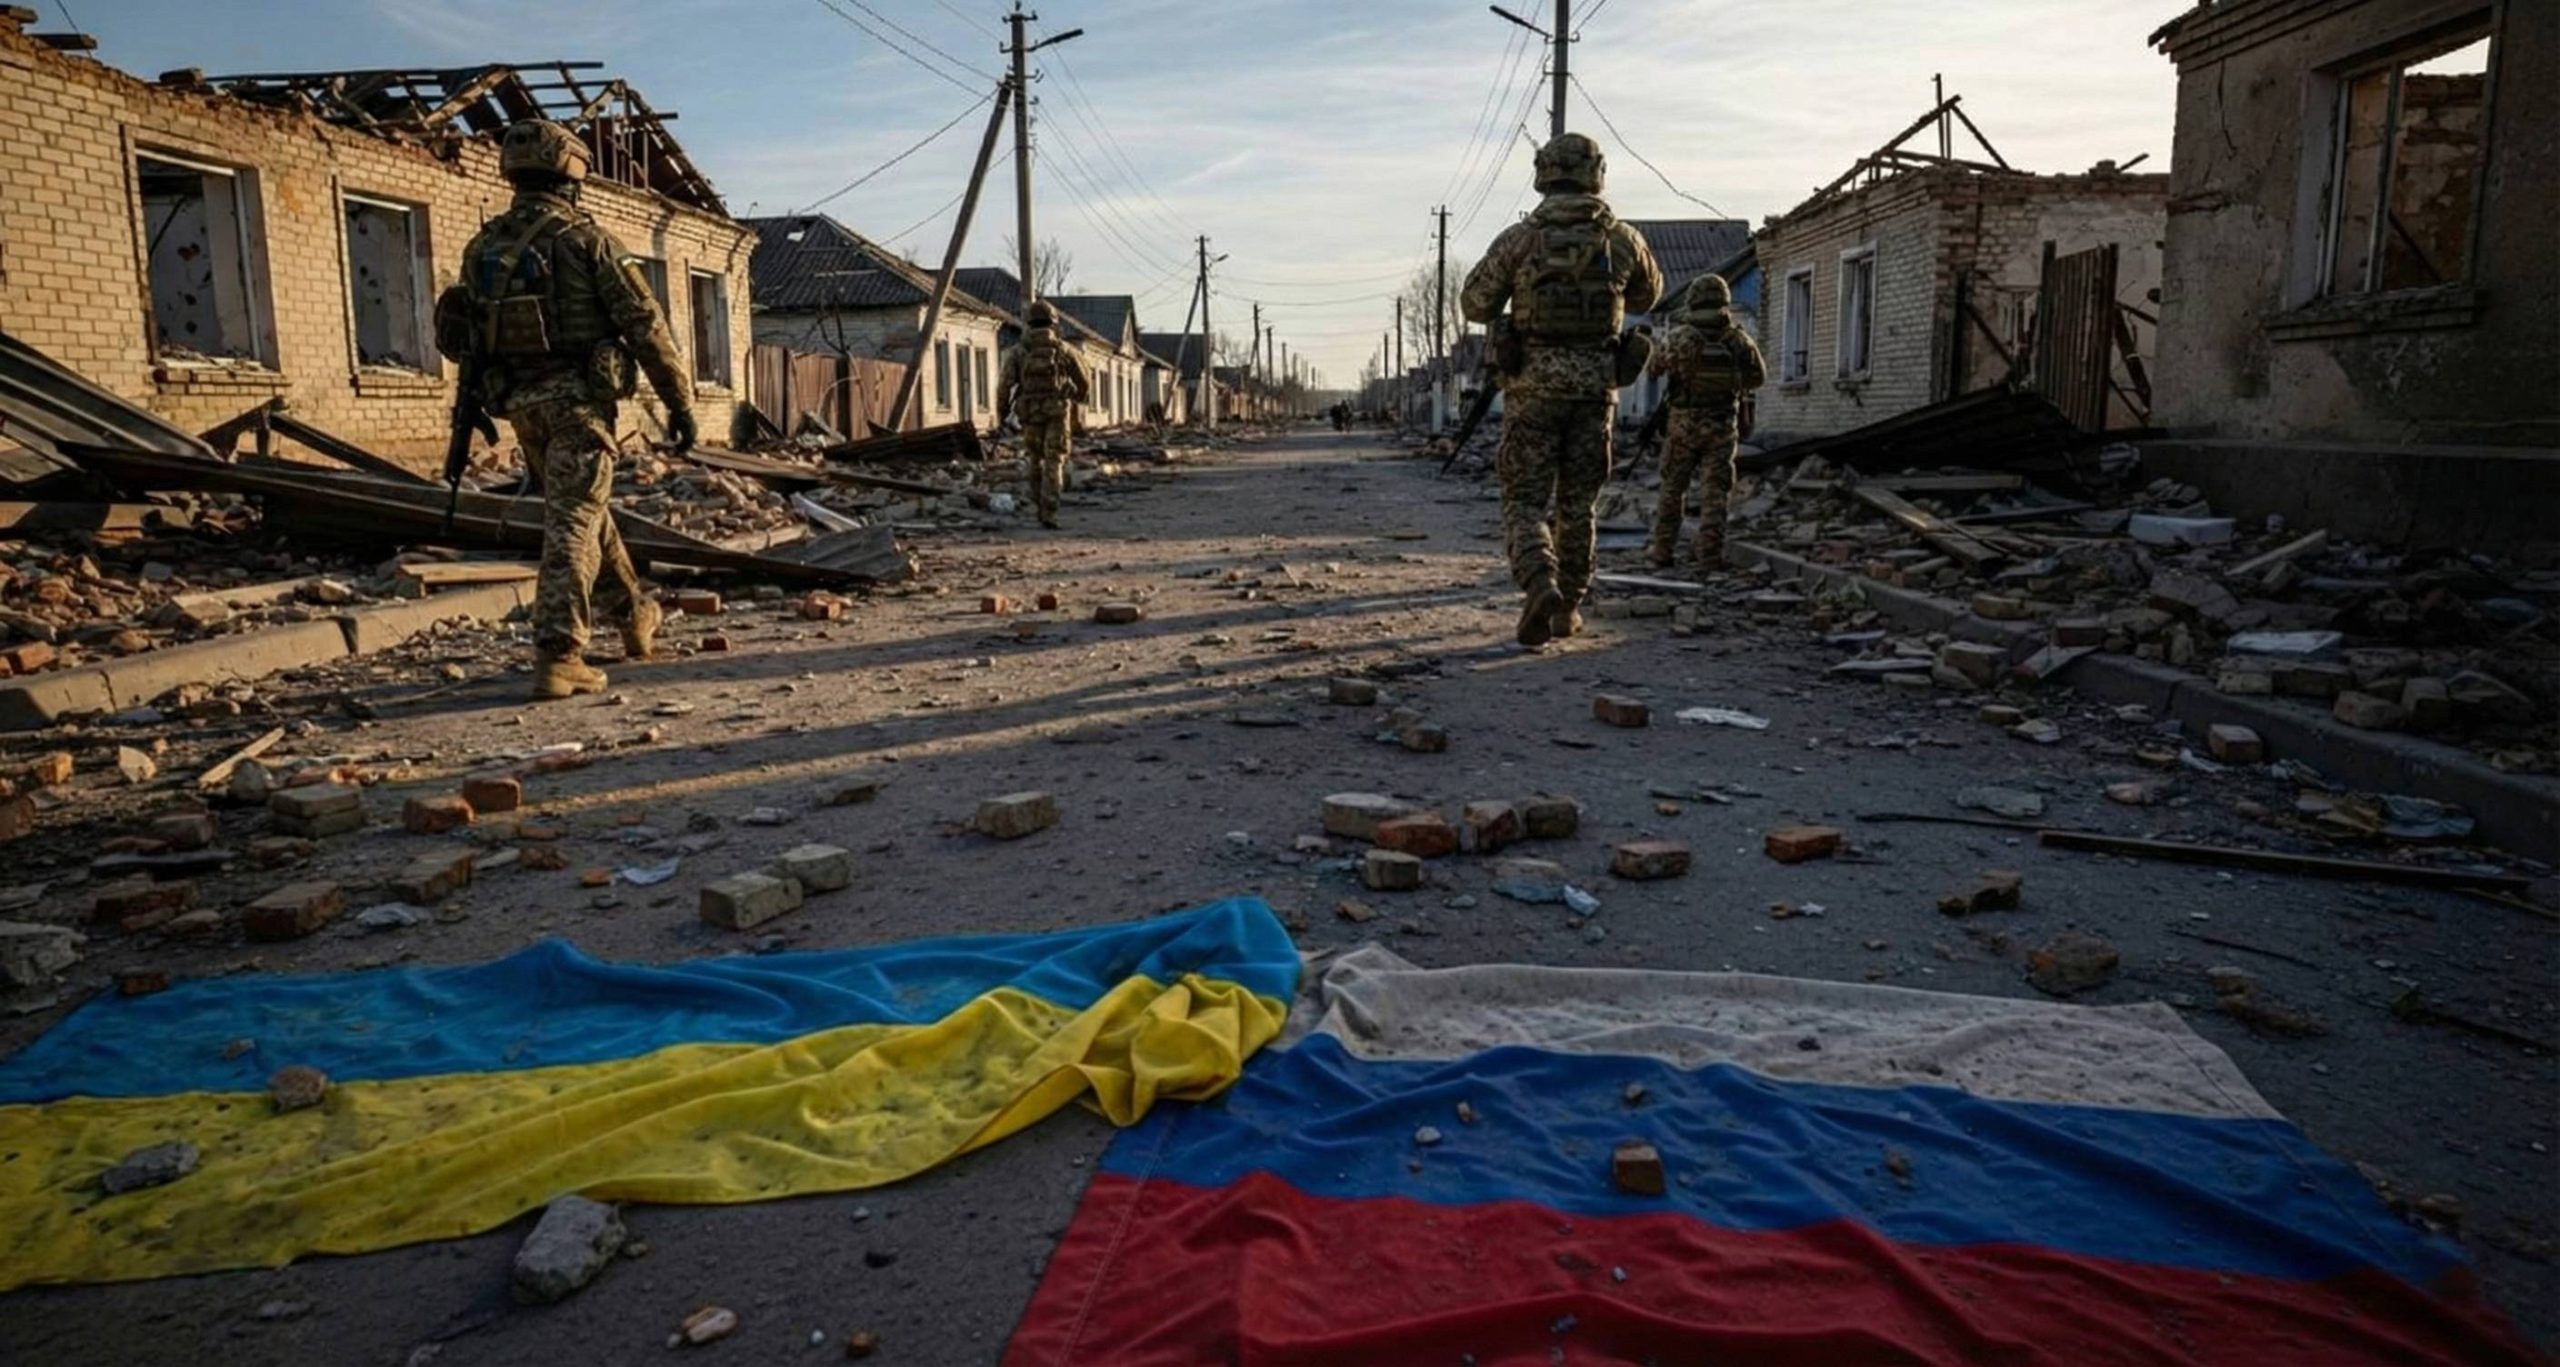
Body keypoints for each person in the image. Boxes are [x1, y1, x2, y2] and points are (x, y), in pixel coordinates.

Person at [434, 119, 695, 700]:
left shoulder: (483, 248)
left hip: (520, 407)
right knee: (573, 521)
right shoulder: (588, 242)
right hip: (578, 406)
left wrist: (470, 404)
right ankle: (559, 651)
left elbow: (468, 338)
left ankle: (632, 614)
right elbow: (646, 327)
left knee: (585, 513)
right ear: (572, 173)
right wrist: (679, 403)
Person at [1460, 132, 1662, 647]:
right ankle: (1567, 606)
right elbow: (1649, 295)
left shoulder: (1519, 239)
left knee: (1524, 501)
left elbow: (1476, 304)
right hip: (1596, 393)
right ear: (1597, 172)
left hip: (1532, 390)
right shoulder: (1623, 240)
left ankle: (1539, 582)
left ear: (1543, 174)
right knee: (1579, 504)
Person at [1643, 273, 1766, 567]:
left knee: (1673, 488)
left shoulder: (1679, 338)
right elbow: (1758, 378)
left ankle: (1662, 550)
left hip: (1683, 425)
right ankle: (1710, 553)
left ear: (1693, 301)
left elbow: (1652, 370)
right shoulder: (1738, 340)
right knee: (1715, 493)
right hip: (1722, 426)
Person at [994, 300, 1091, 528]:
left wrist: (1002, 411)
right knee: (1054, 460)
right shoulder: (1064, 350)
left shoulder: (1019, 351)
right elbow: (1084, 381)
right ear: (1053, 322)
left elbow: (1004, 385)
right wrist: (1076, 396)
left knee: (1035, 459)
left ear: (1029, 323)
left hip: (1030, 413)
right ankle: (1049, 511)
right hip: (1057, 412)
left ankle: (1037, 503)